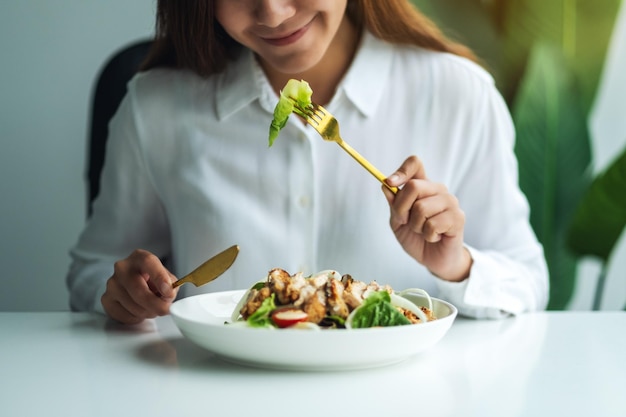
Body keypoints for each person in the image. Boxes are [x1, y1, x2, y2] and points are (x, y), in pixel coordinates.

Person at [67, 0, 549, 325]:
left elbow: (529, 280)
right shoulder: (156, 107)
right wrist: (122, 294)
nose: (273, 12)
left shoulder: (459, 93)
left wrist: (457, 264)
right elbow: (91, 273)